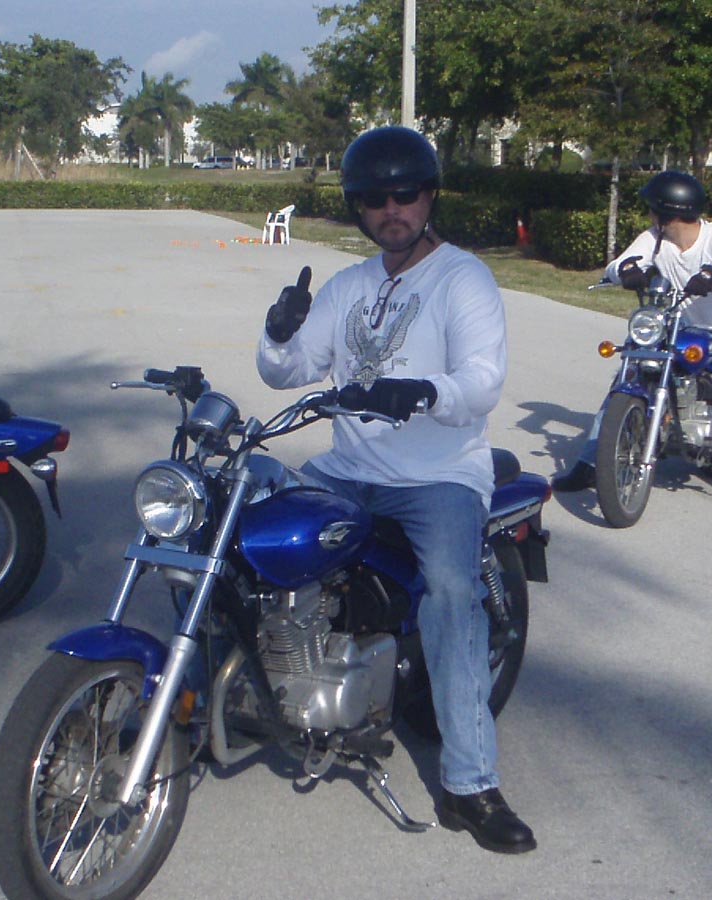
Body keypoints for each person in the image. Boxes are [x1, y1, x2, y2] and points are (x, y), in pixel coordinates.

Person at [256, 126, 536, 854]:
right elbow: (288, 372)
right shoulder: (349, 285)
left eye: (404, 195)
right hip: (348, 468)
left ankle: (471, 784)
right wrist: (279, 333)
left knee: (450, 592)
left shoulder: (463, 278)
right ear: (358, 208)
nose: (392, 210)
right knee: (253, 536)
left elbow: (482, 382)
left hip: (439, 475)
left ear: (429, 195)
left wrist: (424, 391)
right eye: (374, 199)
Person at [552, 169, 712, 514]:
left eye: (652, 209)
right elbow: (619, 263)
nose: (649, 215)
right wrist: (626, 270)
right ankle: (590, 464)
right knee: (627, 375)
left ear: (667, 213)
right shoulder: (655, 239)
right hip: (676, 323)